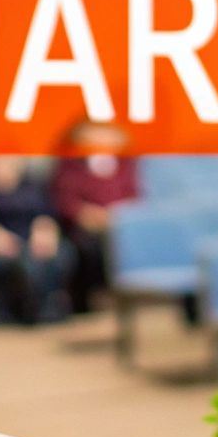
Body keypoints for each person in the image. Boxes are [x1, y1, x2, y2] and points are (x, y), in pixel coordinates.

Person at [49, 121, 141, 314]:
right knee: (87, 248)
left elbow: (135, 196)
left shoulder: (126, 164)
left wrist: (118, 216)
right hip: (85, 229)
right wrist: (88, 215)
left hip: (122, 225)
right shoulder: (70, 166)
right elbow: (65, 200)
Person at [0, 156, 72, 325]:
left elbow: (47, 214)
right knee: (15, 261)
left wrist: (45, 229)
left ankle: (46, 307)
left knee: (60, 254)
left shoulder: (33, 185)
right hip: (1, 242)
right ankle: (20, 311)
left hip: (33, 239)